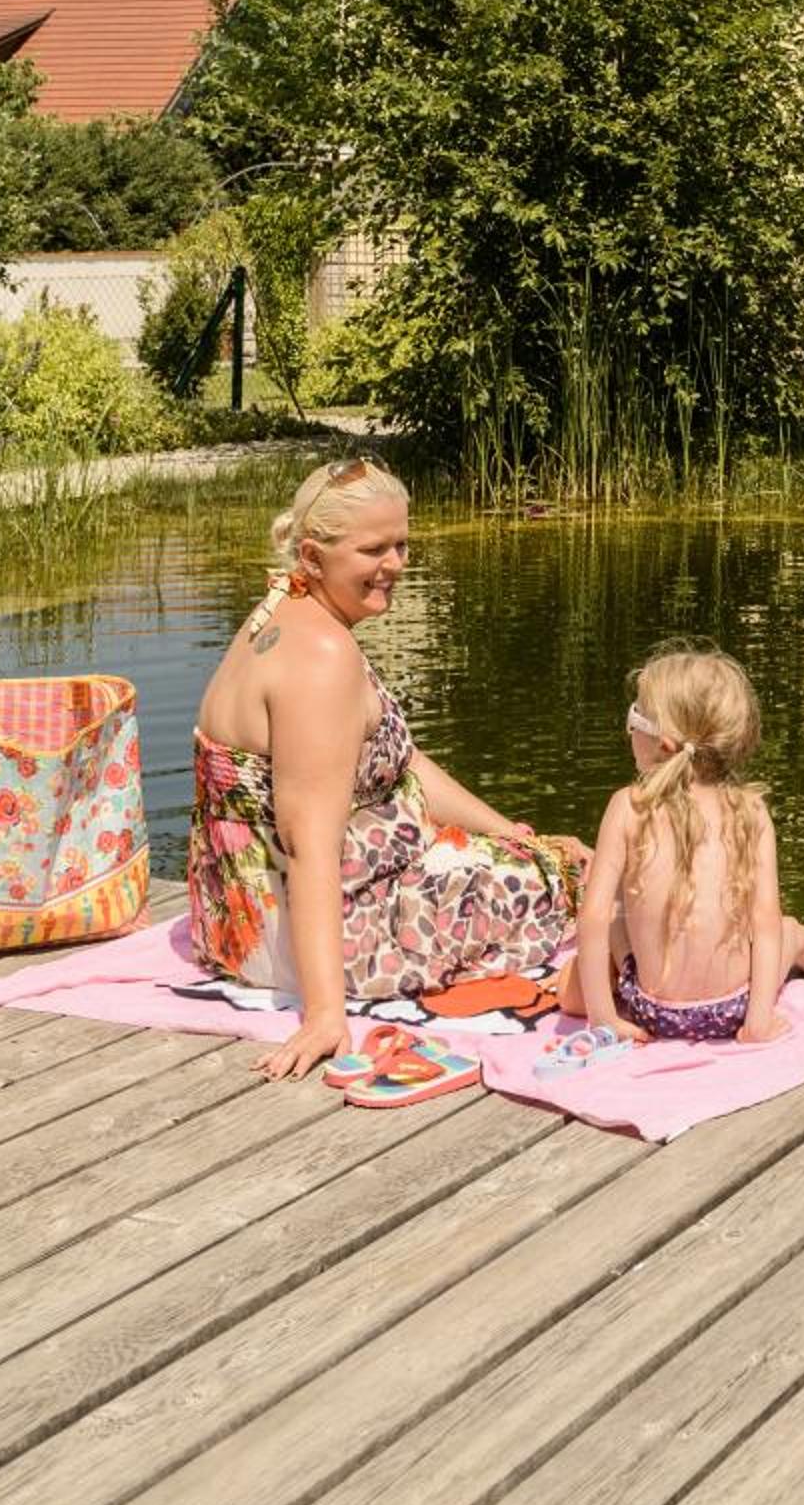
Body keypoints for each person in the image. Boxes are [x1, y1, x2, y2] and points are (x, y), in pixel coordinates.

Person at [190, 458, 582, 1081]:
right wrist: (325, 1014)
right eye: (373, 550)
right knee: (563, 874)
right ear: (313, 556)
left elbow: (402, 765)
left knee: (529, 851)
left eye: (401, 544)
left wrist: (510, 832)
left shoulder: (281, 605)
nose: (395, 564)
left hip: (235, 926)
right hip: (331, 937)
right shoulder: (321, 656)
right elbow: (308, 840)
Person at [562, 647, 804, 1045]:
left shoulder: (627, 806)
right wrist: (757, 1022)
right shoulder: (751, 811)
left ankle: (593, 995)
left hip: (653, 1012)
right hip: (732, 1008)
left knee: (611, 910)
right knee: (791, 932)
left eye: (634, 717)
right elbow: (765, 921)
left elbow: (592, 916)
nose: (629, 729)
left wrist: (604, 1020)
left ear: (665, 744)